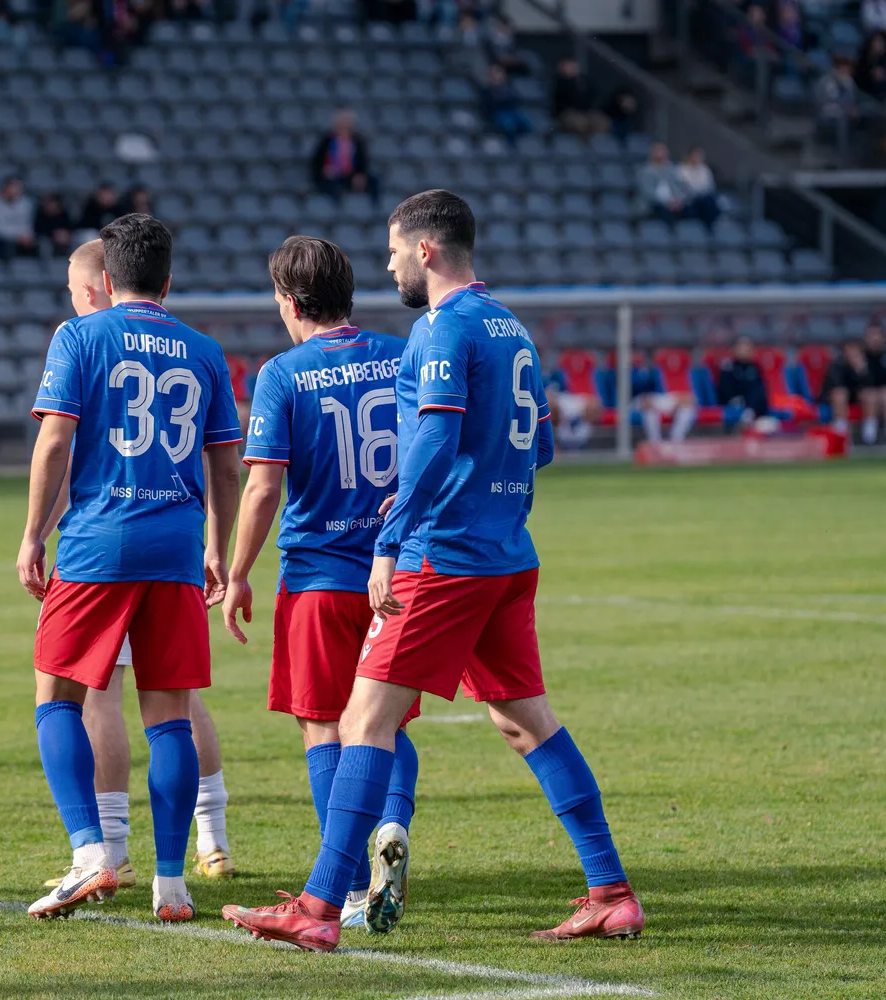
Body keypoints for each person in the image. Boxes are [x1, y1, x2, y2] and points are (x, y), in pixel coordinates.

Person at [223, 190, 643, 951]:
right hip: (506, 554)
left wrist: (391, 541)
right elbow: (539, 448)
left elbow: (435, 440)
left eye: (392, 251)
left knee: (360, 722)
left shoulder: (441, 328)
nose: (387, 265)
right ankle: (610, 891)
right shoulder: (511, 326)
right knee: (524, 721)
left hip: (443, 559)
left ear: (424, 251)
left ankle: (318, 911)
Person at [18, 214, 242, 923]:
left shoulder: (80, 336)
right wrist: (220, 547)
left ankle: (92, 853)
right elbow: (227, 466)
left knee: (56, 696)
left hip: (97, 542)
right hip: (176, 544)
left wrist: (30, 535)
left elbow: (55, 441)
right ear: (168, 281)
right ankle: (172, 885)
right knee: (168, 715)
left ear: (105, 280)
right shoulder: (204, 349)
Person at [220, 235, 419, 934]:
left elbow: (264, 486)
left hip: (317, 576)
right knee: (384, 720)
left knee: (322, 725)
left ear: (288, 300)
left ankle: (349, 878)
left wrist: (238, 571)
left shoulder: (284, 373)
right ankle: (391, 824)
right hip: (397, 572)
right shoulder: (402, 356)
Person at [821, 338, 886, 444]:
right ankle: (841, 431)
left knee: (870, 395)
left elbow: (871, 385)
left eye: (855, 350)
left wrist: (861, 372)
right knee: (840, 394)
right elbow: (834, 384)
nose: (852, 353)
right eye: (850, 349)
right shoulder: (838, 364)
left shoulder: (866, 364)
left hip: (859, 398)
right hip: (841, 398)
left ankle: (870, 433)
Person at [310, 109, 379, 204]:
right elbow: (317, 161)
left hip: (350, 175)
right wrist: (324, 170)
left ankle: (374, 207)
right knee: (332, 187)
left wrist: (360, 174)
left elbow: (362, 161)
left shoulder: (357, 141)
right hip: (332, 175)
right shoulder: (327, 141)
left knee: (373, 181)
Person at [632, 352, 697, 444]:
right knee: (649, 410)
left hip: (659, 401)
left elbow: (690, 399)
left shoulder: (657, 371)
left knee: (688, 408)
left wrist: (678, 401)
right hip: (636, 402)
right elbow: (634, 392)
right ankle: (655, 444)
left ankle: (676, 441)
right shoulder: (633, 370)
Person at [716, 335, 771, 428]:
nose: (746, 350)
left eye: (749, 347)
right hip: (734, 402)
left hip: (753, 405)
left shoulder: (755, 367)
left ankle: (753, 415)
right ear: (735, 349)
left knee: (758, 392)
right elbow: (725, 390)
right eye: (742, 347)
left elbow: (759, 388)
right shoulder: (728, 367)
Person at [551, 57, 609, 138]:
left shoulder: (584, 81)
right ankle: (582, 144)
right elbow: (565, 99)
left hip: (585, 112)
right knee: (579, 122)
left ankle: (596, 145)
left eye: (573, 66)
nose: (571, 69)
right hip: (565, 113)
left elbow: (592, 96)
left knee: (602, 121)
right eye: (568, 66)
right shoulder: (558, 81)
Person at [636, 141, 686, 223]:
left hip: (673, 203)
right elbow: (648, 193)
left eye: (663, 151)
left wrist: (678, 200)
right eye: (658, 151)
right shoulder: (645, 171)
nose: (661, 153)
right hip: (653, 204)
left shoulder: (672, 169)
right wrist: (666, 202)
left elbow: (680, 186)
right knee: (666, 213)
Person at [481, 65, 533, 142]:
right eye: (495, 74)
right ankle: (511, 146)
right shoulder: (487, 90)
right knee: (509, 126)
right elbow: (487, 106)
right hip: (498, 113)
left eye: (500, 73)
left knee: (526, 125)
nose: (498, 76)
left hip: (512, 112)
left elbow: (516, 99)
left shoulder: (509, 87)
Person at [0, 176, 36, 258]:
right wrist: (17, 236)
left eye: (17, 187)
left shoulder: (26, 203)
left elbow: (27, 224)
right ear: (4, 188)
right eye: (12, 187)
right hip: (1, 238)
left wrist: (25, 235)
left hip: (23, 238)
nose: (15, 191)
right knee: (7, 247)